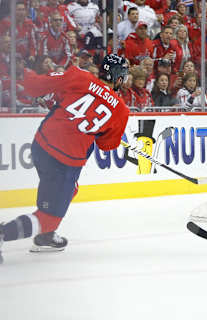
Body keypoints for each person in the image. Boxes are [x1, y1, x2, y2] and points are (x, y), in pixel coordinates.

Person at [0, 54, 130, 263]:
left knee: (70, 188)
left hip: (41, 145)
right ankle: (18, 233)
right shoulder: (121, 110)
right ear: (120, 78)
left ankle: (46, 236)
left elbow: (35, 86)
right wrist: (103, 130)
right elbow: (107, 145)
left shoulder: (80, 76)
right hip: (66, 162)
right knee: (48, 218)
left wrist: (23, 71)